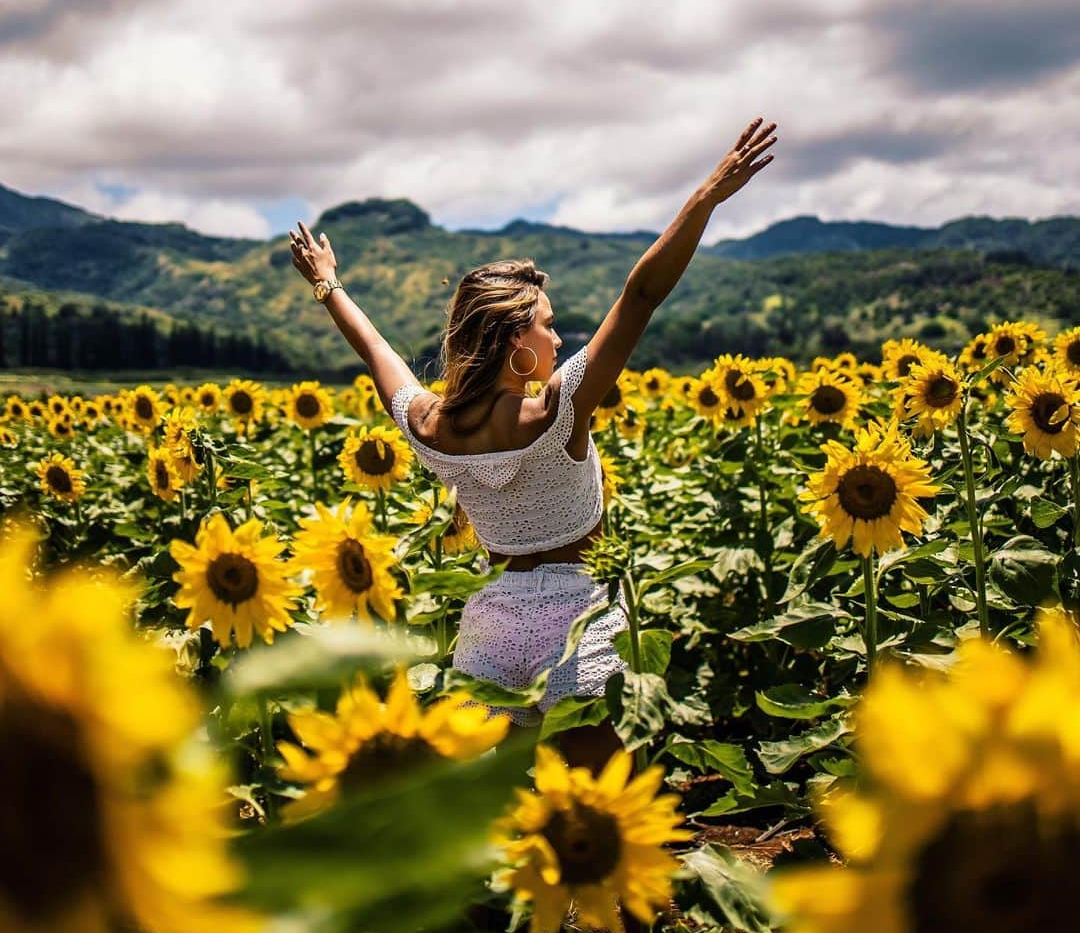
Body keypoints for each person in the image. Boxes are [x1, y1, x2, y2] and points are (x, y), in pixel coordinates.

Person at [289, 116, 777, 777]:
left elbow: (375, 349)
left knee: (496, 818)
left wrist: (327, 283)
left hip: (495, 629)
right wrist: (707, 196)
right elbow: (642, 294)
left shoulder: (428, 425)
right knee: (596, 808)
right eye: (548, 328)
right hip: (582, 622)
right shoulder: (557, 409)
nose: (558, 339)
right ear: (517, 346)